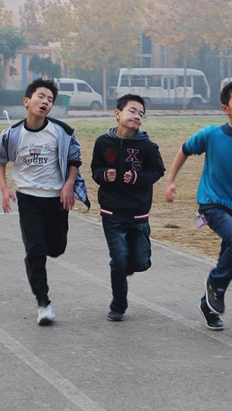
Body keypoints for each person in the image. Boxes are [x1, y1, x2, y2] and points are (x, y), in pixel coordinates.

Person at [165, 79, 232, 331]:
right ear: (225, 108)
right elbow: (185, 149)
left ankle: (208, 304)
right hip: (212, 205)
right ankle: (214, 283)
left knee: (230, 257)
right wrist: (171, 181)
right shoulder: (211, 134)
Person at [0, 78, 90, 325]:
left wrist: (69, 185)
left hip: (57, 199)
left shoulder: (62, 131)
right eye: (41, 96)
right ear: (27, 101)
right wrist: (5, 190)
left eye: (50, 99)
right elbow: (0, 160)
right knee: (35, 251)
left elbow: (74, 159)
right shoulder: (12, 134)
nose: (45, 102)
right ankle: (43, 303)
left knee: (56, 248)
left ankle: (42, 248)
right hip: (28, 199)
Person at [91, 94, 165, 322]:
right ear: (117, 114)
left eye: (141, 114)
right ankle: (118, 306)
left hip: (138, 212)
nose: (137, 116)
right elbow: (96, 169)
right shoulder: (103, 142)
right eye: (132, 111)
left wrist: (137, 177)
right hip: (112, 212)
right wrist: (105, 174)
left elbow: (157, 171)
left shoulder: (147, 146)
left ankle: (128, 265)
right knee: (119, 259)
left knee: (141, 261)